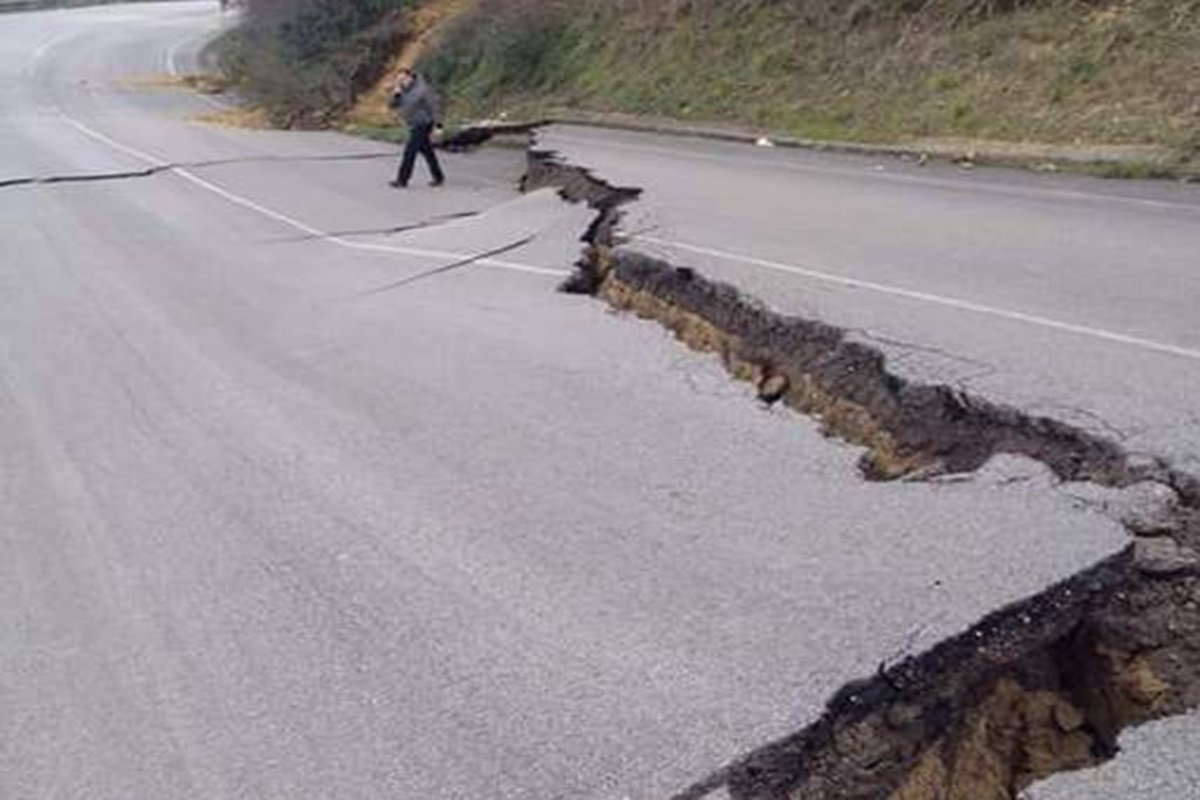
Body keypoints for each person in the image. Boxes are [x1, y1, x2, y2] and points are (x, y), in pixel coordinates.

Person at [388, 69, 445, 189]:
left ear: (411, 77)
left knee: (410, 152)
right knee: (428, 152)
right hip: (413, 124)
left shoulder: (423, 90)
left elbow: (434, 108)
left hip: (423, 124)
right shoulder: (402, 91)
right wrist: (396, 94)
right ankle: (438, 177)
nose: (402, 82)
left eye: (404, 79)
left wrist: (438, 126)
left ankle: (402, 180)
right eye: (399, 80)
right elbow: (392, 105)